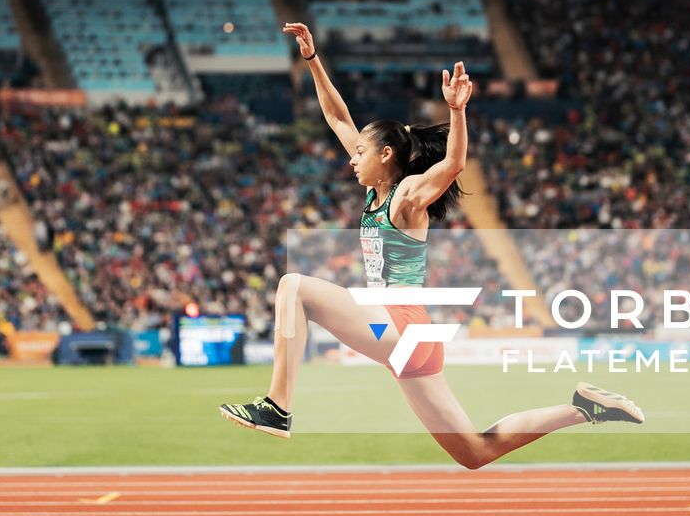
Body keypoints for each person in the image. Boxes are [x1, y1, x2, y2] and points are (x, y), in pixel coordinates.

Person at [217, 23, 643, 469]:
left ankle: (277, 407)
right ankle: (583, 407)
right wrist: (312, 60)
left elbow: (454, 163)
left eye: (360, 152)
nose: (351, 157)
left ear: (385, 155)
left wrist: (457, 111)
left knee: (293, 286)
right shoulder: (375, 189)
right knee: (475, 452)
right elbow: (339, 119)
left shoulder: (406, 197)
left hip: (397, 325)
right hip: (406, 341)